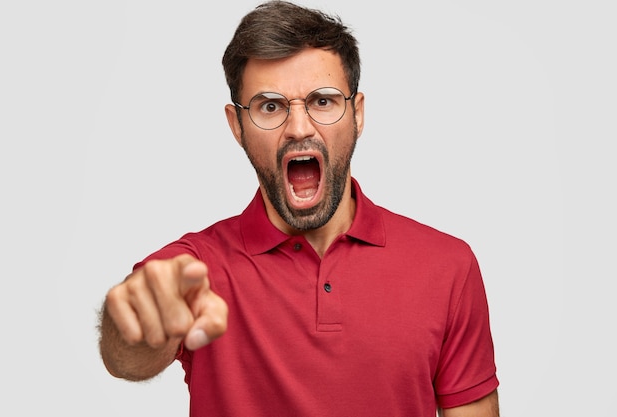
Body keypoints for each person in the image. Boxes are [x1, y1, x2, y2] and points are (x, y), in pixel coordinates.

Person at [98, 1, 500, 416]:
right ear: (237, 126)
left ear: (357, 114)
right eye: (269, 106)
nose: (299, 128)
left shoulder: (447, 265)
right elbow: (125, 356)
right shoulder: (196, 267)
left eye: (322, 101)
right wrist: (140, 324)